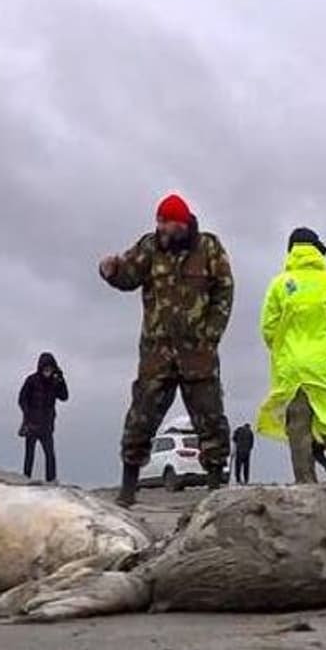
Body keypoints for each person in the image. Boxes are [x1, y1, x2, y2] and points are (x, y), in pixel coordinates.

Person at [100, 190, 235, 506]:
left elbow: (224, 292)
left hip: (197, 353)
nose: (161, 229)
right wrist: (110, 271)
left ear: (182, 224)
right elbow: (128, 276)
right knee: (141, 417)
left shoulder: (209, 248)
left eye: (167, 224)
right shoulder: (149, 247)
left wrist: (210, 335)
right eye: (159, 223)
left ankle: (215, 488)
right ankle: (128, 488)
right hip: (157, 352)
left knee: (211, 419)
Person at [256, 228, 326, 484]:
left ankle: (305, 481)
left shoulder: (280, 283)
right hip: (323, 363)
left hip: (291, 367)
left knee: (298, 425)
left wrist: (283, 352)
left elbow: (268, 327)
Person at [17, 352, 69, 482]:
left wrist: (61, 380)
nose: (48, 371)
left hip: (47, 425)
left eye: (50, 368)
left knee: (50, 454)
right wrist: (27, 414)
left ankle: (51, 480)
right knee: (29, 455)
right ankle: (26, 478)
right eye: (45, 368)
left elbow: (64, 397)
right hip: (31, 423)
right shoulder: (31, 380)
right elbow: (22, 399)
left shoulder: (55, 382)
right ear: (40, 368)